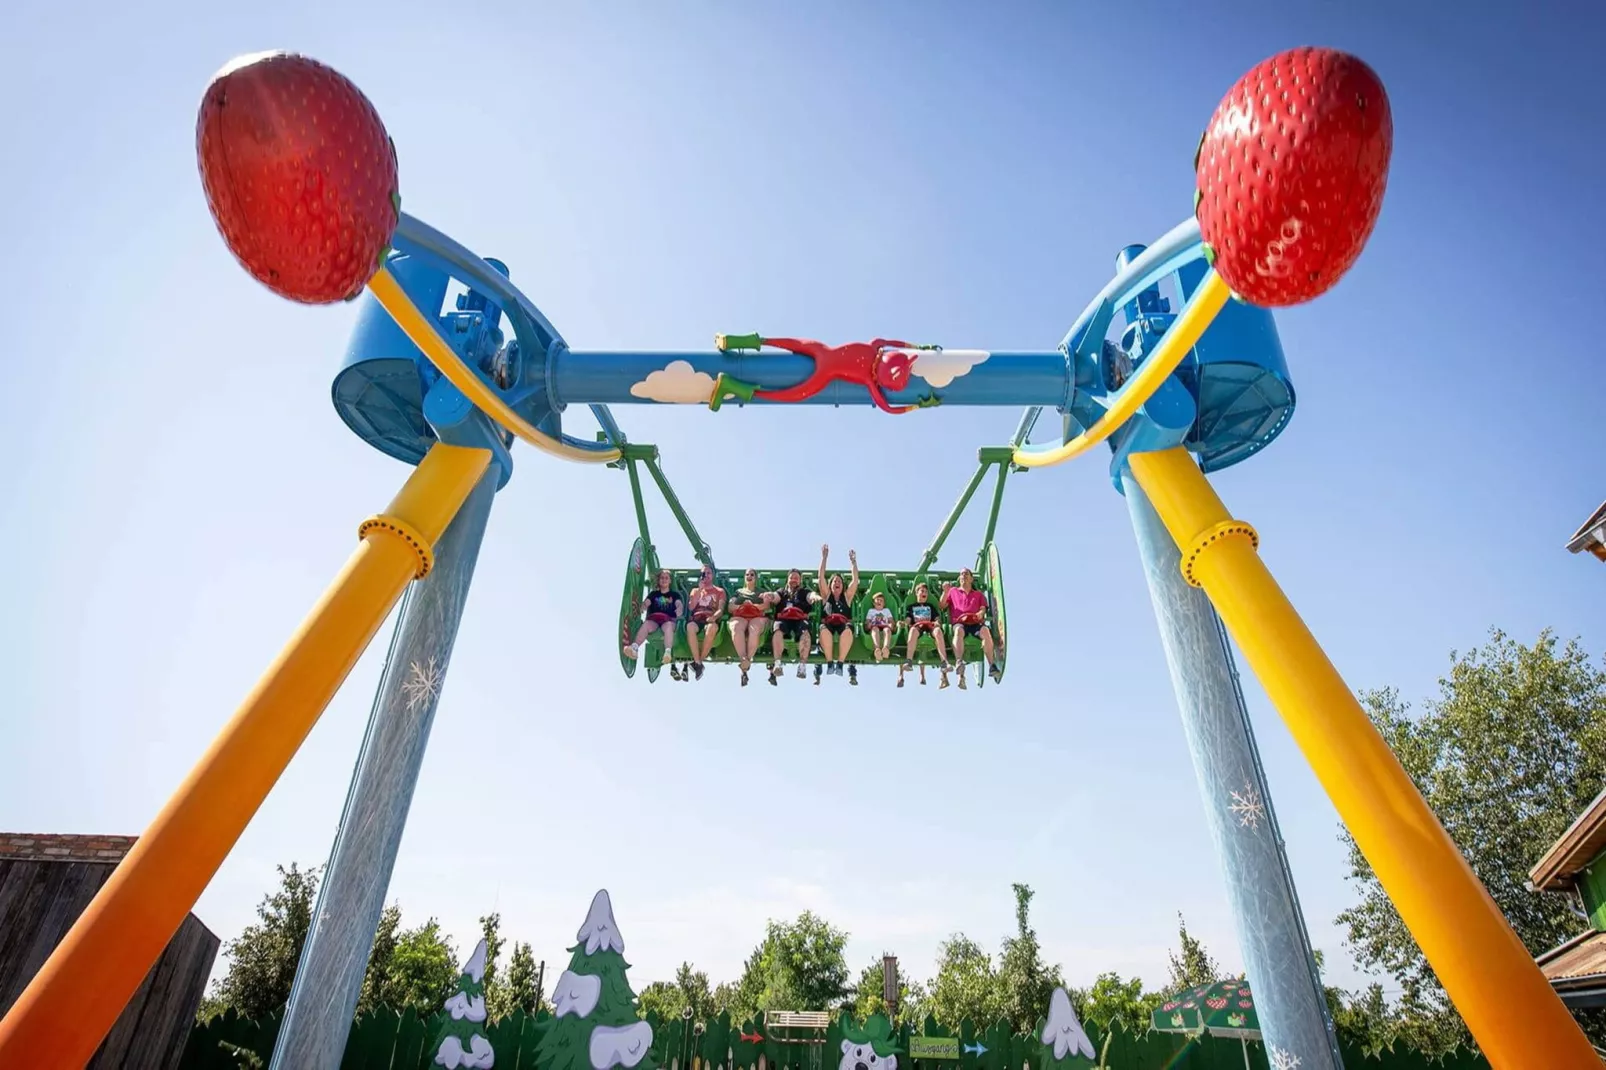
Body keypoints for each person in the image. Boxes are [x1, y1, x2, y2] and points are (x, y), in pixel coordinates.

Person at [942, 567, 1001, 687]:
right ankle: (959, 661)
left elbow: (983, 608)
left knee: (985, 631)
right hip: (960, 622)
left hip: (975, 622)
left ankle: (992, 665)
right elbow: (942, 605)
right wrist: (945, 591)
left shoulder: (978, 595)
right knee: (958, 631)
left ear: (971, 578)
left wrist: (980, 613)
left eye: (966, 574)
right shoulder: (953, 591)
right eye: (961, 574)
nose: (963, 576)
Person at [815, 544, 861, 685]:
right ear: (830, 585)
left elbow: (855, 581)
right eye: (834, 581)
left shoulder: (846, 597)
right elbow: (820, 576)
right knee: (823, 631)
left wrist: (853, 563)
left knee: (848, 631)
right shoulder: (826, 595)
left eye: (839, 581)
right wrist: (824, 558)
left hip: (842, 624)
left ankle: (840, 663)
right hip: (828, 623)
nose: (837, 583)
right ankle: (830, 662)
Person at [624, 569, 683, 677]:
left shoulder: (674, 595)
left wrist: (679, 609)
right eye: (662, 578)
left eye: (666, 578)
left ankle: (667, 652)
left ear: (670, 581)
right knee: (646, 624)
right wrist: (643, 606)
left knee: (668, 626)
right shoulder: (654, 594)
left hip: (668, 619)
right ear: (659, 581)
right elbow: (647, 602)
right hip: (655, 619)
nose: (664, 580)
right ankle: (634, 648)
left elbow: (679, 604)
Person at [769, 568, 819, 686]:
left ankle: (802, 665)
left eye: (796, 578)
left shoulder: (803, 592)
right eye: (791, 578)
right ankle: (777, 663)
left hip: (800, 620)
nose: (793, 580)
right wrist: (770, 596)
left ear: (800, 580)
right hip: (784, 619)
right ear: (788, 579)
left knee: (805, 632)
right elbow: (776, 597)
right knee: (777, 628)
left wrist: (813, 596)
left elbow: (810, 596)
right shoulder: (782, 592)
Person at [899, 581, 951, 689]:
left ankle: (944, 662)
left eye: (926, 592)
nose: (924, 593)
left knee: (937, 631)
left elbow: (937, 619)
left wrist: (937, 623)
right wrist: (904, 624)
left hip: (929, 625)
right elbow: (908, 620)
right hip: (918, 625)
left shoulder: (930, 606)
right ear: (916, 593)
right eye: (922, 591)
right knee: (912, 631)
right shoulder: (911, 607)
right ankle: (909, 661)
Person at [727, 568, 774, 686]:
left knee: (754, 628)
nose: (749, 576)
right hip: (741, 616)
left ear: (756, 578)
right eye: (747, 574)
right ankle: (744, 659)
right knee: (736, 626)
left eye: (752, 574)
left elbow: (766, 606)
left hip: (756, 616)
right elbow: (731, 606)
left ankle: (746, 661)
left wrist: (753, 605)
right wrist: (742, 606)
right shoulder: (738, 592)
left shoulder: (761, 592)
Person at [684, 565, 727, 681]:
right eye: (704, 573)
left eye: (708, 573)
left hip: (710, 619)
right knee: (690, 627)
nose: (706, 575)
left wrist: (714, 617)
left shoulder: (719, 591)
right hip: (697, 618)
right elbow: (691, 607)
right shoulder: (695, 590)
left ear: (712, 575)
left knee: (712, 628)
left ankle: (698, 661)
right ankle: (698, 662)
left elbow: (721, 609)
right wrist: (699, 590)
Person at [865, 591, 895, 662]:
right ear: (873, 603)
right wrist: (868, 625)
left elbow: (891, 620)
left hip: (885, 626)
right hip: (874, 626)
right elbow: (867, 621)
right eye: (877, 600)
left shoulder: (886, 611)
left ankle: (886, 649)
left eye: (881, 600)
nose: (879, 602)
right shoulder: (871, 611)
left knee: (887, 630)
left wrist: (891, 625)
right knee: (875, 629)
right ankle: (877, 649)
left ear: (884, 604)